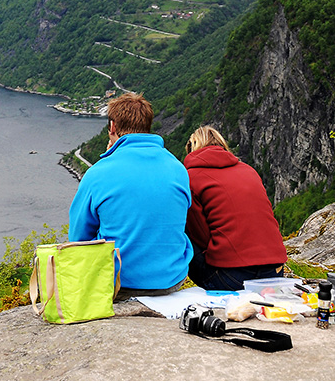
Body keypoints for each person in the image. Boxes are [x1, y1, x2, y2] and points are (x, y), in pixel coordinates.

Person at [69, 92, 193, 296]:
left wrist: (110, 157)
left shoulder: (99, 173)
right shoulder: (178, 169)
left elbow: (78, 238)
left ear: (113, 127)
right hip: (170, 282)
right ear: (147, 126)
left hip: (119, 284)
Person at [182, 125, 287, 291]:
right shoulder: (249, 170)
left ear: (191, 149)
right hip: (274, 273)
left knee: (181, 231)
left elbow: (200, 236)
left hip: (231, 278)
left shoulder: (191, 178)